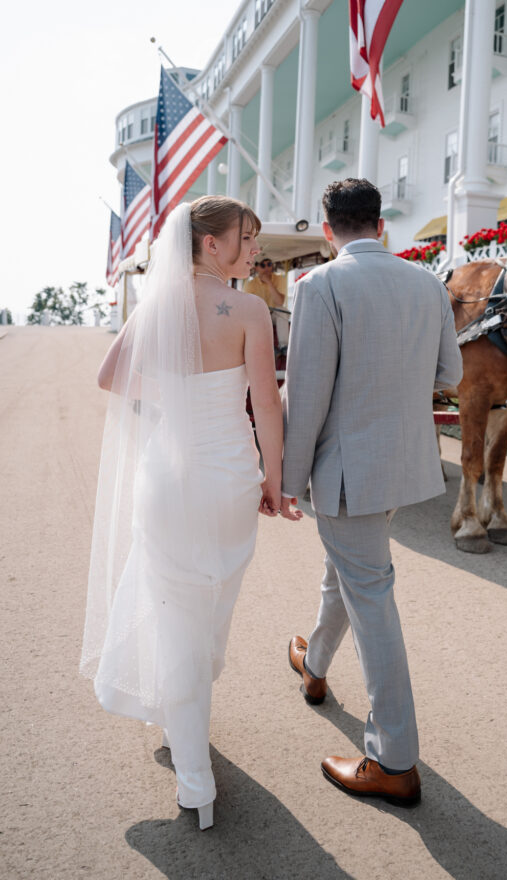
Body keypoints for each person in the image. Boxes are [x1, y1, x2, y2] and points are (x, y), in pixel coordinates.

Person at [80, 196, 301, 831]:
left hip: (167, 478)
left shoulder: (157, 308)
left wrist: (173, 397)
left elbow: (109, 378)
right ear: (210, 244)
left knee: (174, 608)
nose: (253, 248)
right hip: (230, 478)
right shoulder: (249, 310)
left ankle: (190, 762)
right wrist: (274, 483)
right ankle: (189, 744)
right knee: (211, 609)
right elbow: (267, 405)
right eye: (246, 237)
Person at [282, 178, 463, 807]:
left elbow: (304, 397)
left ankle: (393, 758)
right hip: (401, 466)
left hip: (345, 470)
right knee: (350, 575)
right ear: (380, 225)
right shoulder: (427, 282)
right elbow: (449, 374)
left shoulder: (320, 285)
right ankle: (315, 664)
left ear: (328, 229)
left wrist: (286, 481)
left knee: (370, 596)